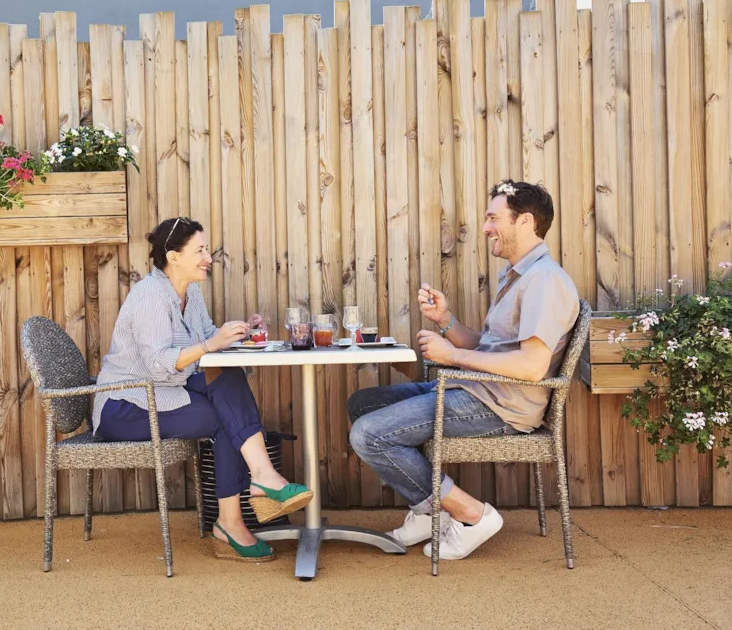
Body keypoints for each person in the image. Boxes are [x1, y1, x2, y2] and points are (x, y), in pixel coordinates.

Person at [347, 181, 579, 561]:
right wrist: (447, 321)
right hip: (475, 390)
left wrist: (452, 356)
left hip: (502, 406)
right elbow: (491, 348)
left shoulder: (545, 281)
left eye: (492, 218)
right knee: (364, 403)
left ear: (524, 221)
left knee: (369, 434)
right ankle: (429, 513)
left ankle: (472, 515)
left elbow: (531, 366)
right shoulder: (517, 275)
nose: (485, 228)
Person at [92, 216, 313, 562]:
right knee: (225, 419)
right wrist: (212, 344)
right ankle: (240, 510)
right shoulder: (150, 295)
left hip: (165, 390)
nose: (208, 257)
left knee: (227, 378)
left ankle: (254, 489)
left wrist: (241, 332)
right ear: (173, 257)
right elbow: (158, 363)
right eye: (200, 250)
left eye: (206, 249)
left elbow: (206, 337)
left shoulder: (189, 291)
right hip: (127, 404)